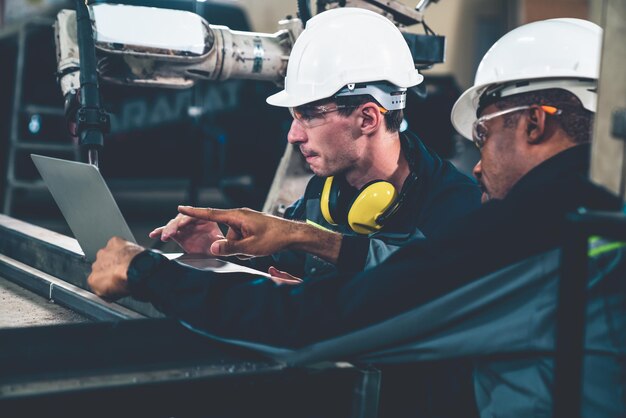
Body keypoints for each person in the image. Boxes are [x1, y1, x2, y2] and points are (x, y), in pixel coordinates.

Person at [88, 17, 626, 417]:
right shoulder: (600, 214)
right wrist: (298, 240)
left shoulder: (535, 227)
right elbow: (417, 271)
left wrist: (147, 272)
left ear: (535, 123)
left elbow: (318, 323)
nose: (480, 161)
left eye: (485, 133)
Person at [149, 8, 480, 281]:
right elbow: (279, 272)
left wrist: (313, 280)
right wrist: (220, 252)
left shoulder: (455, 207)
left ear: (367, 119)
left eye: (309, 115)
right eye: (294, 116)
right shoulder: (321, 196)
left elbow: (426, 288)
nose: (293, 135)